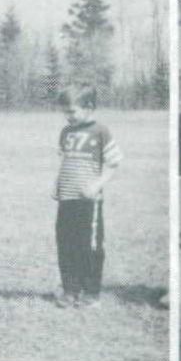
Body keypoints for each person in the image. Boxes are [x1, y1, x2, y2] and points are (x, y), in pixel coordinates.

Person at [54, 87, 123, 307]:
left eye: (72, 111)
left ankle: (91, 293)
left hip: (88, 202)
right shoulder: (66, 132)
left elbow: (113, 163)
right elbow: (65, 161)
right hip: (67, 199)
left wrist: (96, 185)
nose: (68, 116)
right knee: (66, 243)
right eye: (65, 111)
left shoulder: (100, 131)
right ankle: (70, 290)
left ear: (89, 107)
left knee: (89, 246)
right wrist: (57, 184)